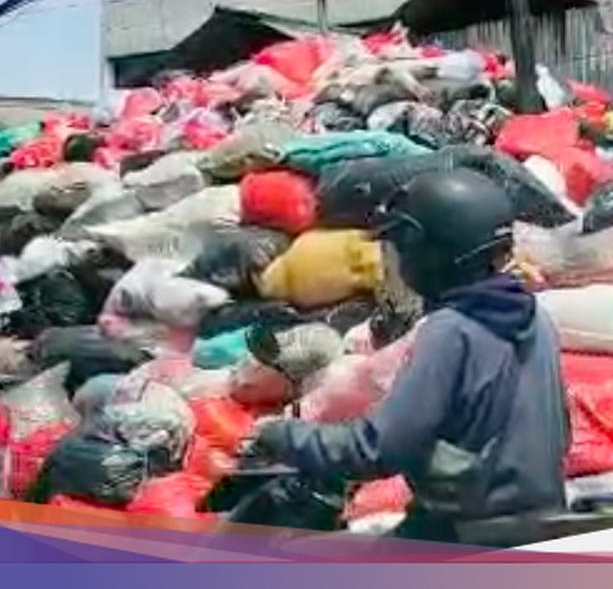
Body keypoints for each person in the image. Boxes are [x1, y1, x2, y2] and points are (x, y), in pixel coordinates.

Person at [243, 169, 571, 543]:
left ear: (431, 252)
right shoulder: (534, 316)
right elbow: (560, 431)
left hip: (463, 535)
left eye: (402, 247)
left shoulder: (451, 330)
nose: (397, 260)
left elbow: (379, 450)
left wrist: (283, 435)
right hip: (540, 521)